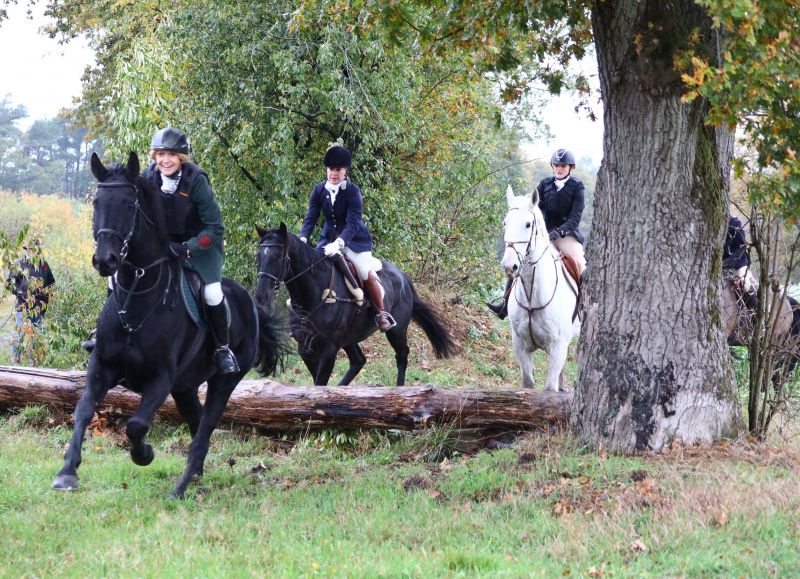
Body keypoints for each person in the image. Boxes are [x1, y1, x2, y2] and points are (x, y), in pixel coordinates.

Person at [142, 127, 239, 374]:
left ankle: (222, 348)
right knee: (120, 275)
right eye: (161, 154)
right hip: (163, 248)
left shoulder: (196, 181)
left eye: (171, 155)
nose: (165, 160)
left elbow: (215, 227)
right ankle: (105, 333)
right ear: (154, 156)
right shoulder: (147, 177)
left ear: (181, 157)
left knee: (212, 293)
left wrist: (188, 247)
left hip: (200, 248)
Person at [298, 145, 396, 332]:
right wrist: (302, 238)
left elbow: (353, 223)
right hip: (327, 239)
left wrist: (339, 243)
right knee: (310, 267)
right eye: (331, 169)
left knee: (364, 271)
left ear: (345, 171)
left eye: (338, 170)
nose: (334, 173)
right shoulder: (318, 190)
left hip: (354, 240)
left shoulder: (353, 191)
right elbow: (310, 218)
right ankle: (303, 310)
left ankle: (381, 313)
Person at [487, 148, 586, 319]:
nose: (559, 168)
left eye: (563, 166)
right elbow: (532, 208)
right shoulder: (545, 184)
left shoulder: (577, 187)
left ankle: (585, 308)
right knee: (519, 258)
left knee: (580, 264)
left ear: (571, 167)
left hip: (567, 235)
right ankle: (505, 302)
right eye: (556, 165)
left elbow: (575, 218)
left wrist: (559, 232)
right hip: (542, 234)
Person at [6, 240, 56, 363]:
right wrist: (21, 294)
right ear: (28, 250)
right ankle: (15, 361)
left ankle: (32, 362)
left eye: (37, 249)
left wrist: (47, 296)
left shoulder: (44, 265)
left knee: (36, 335)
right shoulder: (19, 264)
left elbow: (51, 282)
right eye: (32, 249)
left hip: (39, 308)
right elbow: (8, 284)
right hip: (23, 307)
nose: (34, 251)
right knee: (21, 333)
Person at [723, 214, 756, 304]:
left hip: (738, 264)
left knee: (745, 285)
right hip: (721, 265)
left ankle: (754, 309)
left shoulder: (735, 224)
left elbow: (742, 247)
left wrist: (728, 262)